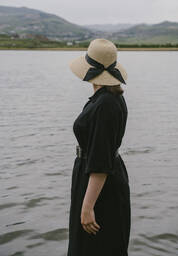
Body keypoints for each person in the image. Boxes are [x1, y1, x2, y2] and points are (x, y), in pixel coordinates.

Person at [67, 38, 131, 256]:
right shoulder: (106, 96)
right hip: (95, 178)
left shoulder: (106, 104)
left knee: (95, 247)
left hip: (100, 186)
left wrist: (87, 207)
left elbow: (101, 162)